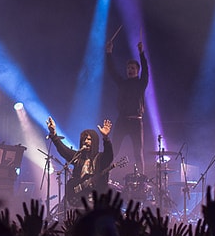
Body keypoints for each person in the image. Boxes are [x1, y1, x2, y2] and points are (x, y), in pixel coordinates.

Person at [46, 117, 113, 209]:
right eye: (84, 139)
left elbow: (109, 155)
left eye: (89, 139)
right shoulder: (78, 157)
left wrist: (106, 138)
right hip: (79, 201)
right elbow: (64, 150)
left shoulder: (101, 158)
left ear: (95, 142)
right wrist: (54, 135)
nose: (86, 141)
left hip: (96, 200)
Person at [106, 40, 149, 174]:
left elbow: (146, 70)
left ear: (137, 70)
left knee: (138, 152)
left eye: (133, 68)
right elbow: (112, 71)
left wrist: (141, 53)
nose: (130, 70)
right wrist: (108, 53)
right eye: (128, 68)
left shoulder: (141, 83)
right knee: (113, 150)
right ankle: (104, 175)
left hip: (136, 121)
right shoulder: (122, 83)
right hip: (122, 120)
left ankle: (142, 180)